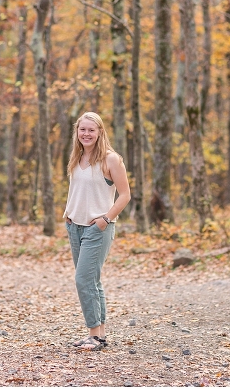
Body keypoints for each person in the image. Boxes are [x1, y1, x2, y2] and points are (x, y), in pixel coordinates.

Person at [63, 111, 131, 351]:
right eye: (83, 129)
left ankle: (92, 335)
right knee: (93, 280)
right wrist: (68, 214)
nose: (86, 134)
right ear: (77, 132)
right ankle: (99, 335)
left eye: (91, 130)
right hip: (74, 226)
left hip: (97, 228)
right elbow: (78, 191)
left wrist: (105, 219)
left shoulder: (111, 159)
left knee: (83, 280)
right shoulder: (76, 157)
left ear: (100, 131)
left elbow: (125, 195)